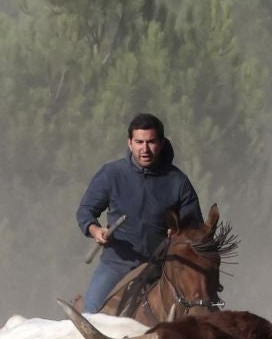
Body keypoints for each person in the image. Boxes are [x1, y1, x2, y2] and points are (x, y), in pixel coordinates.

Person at [75, 112, 203, 311]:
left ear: (161, 143)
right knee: (91, 316)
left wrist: (179, 232)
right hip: (117, 263)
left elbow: (195, 226)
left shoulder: (178, 181)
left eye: (151, 142)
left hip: (163, 268)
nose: (145, 149)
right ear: (129, 143)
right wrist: (95, 230)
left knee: (198, 312)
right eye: (139, 142)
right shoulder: (112, 173)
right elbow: (85, 211)